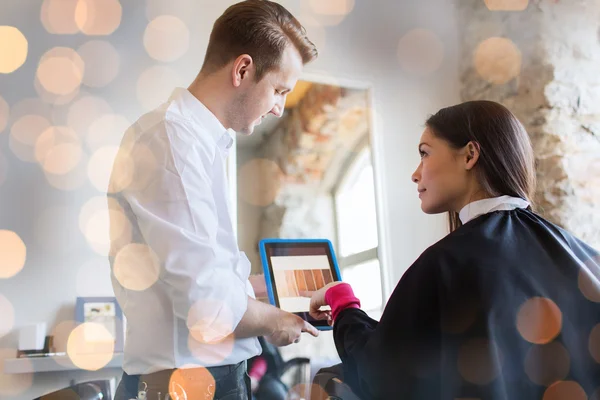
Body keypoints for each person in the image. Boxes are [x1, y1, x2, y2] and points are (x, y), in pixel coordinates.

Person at [306, 100, 600, 399]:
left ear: (470, 155)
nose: (415, 173)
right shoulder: (584, 258)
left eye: (425, 153)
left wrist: (342, 303)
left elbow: (383, 375)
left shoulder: (446, 264)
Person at [108, 1, 319, 399]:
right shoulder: (172, 140)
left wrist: (271, 289)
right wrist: (277, 320)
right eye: (278, 90)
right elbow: (208, 305)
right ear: (242, 70)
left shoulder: (201, 142)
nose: (279, 108)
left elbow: (206, 275)